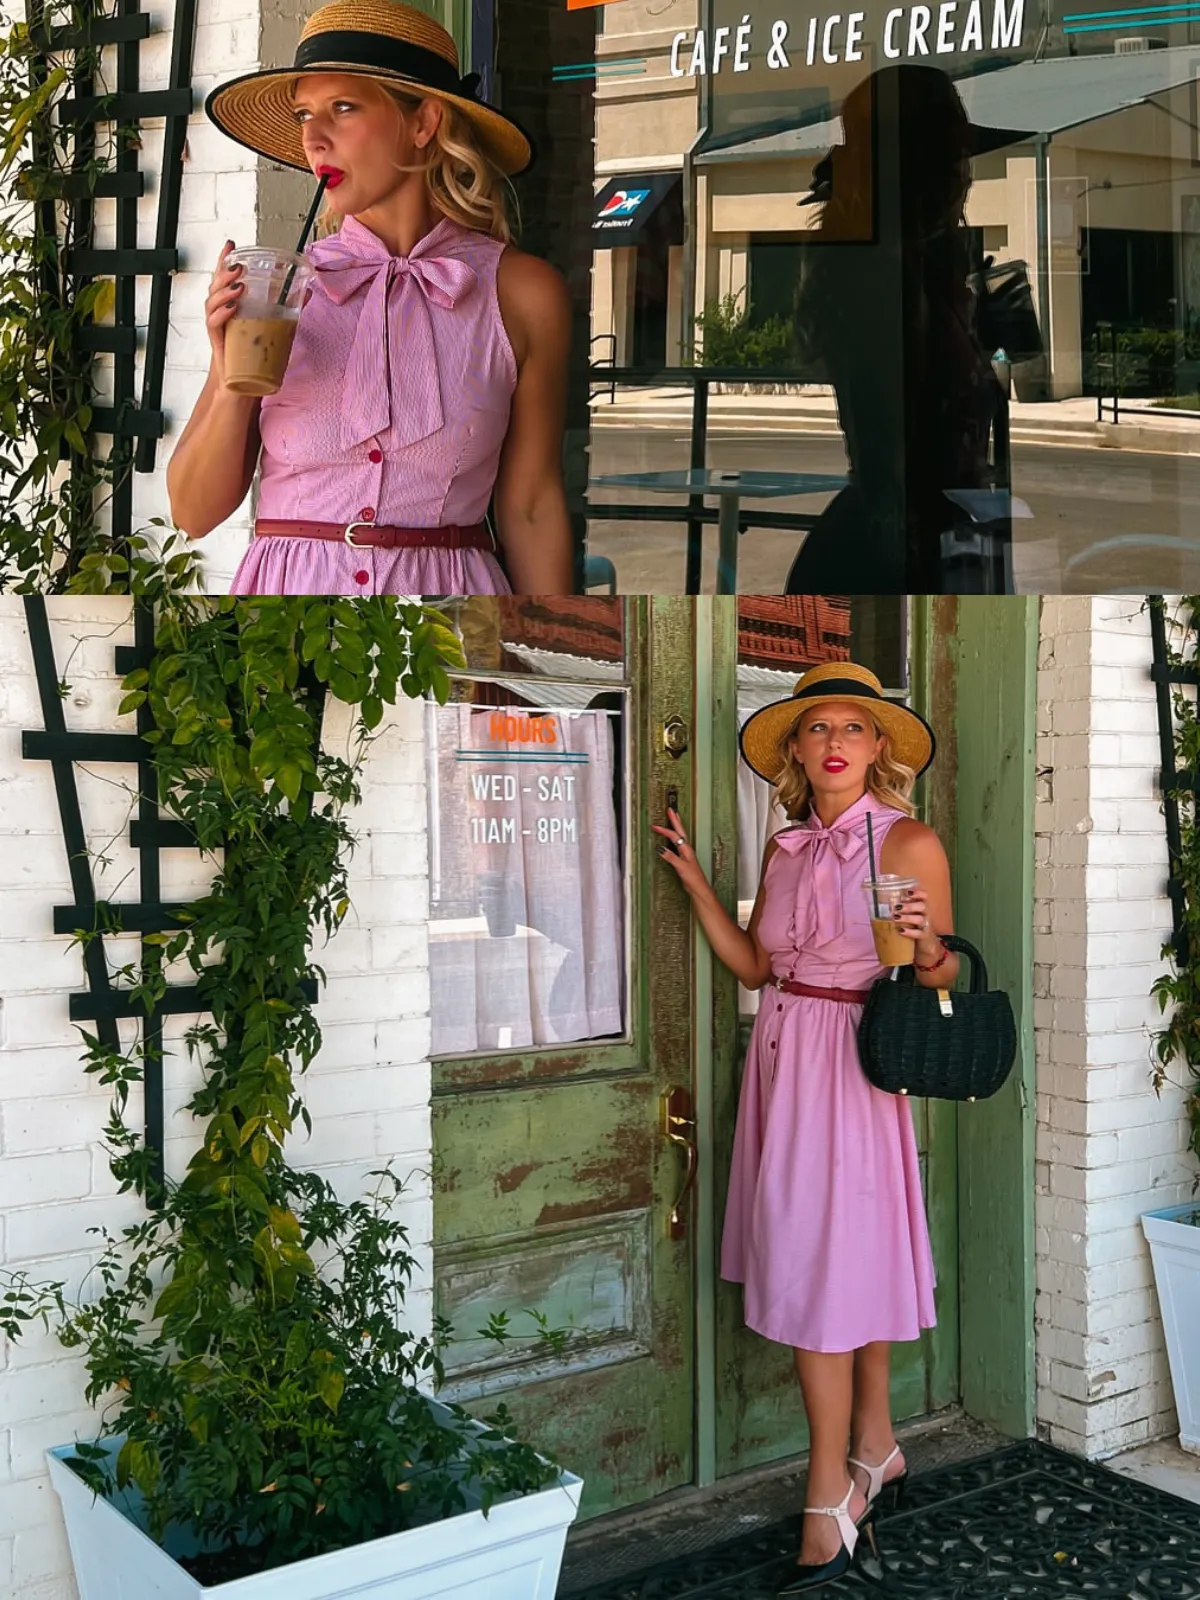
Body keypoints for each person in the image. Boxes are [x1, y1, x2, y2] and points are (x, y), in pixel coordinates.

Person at [654, 661, 959, 1593]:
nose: (834, 743)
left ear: (877, 749)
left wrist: (926, 942)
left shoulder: (907, 841)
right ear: (795, 749)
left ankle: (829, 1487)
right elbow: (754, 968)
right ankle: (876, 1447)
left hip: (856, 1066)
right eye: (817, 729)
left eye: (853, 729)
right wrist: (702, 888)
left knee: (831, 1266)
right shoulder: (785, 850)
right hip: (784, 1060)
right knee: (835, 1258)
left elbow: (937, 975)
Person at [168, 0, 574, 596]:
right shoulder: (279, 291)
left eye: (343, 108)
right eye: (305, 115)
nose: (313, 138)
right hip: (286, 622)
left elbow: (533, 506)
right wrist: (232, 377)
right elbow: (192, 514)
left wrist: (559, 651)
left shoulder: (521, 294)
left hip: (447, 620)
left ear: (423, 123)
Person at [787, 64, 1017, 595]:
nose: (965, 175)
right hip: (910, 542)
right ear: (917, 166)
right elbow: (887, 438)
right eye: (953, 156)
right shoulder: (886, 276)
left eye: (964, 157)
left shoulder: (923, 273)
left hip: (940, 530)